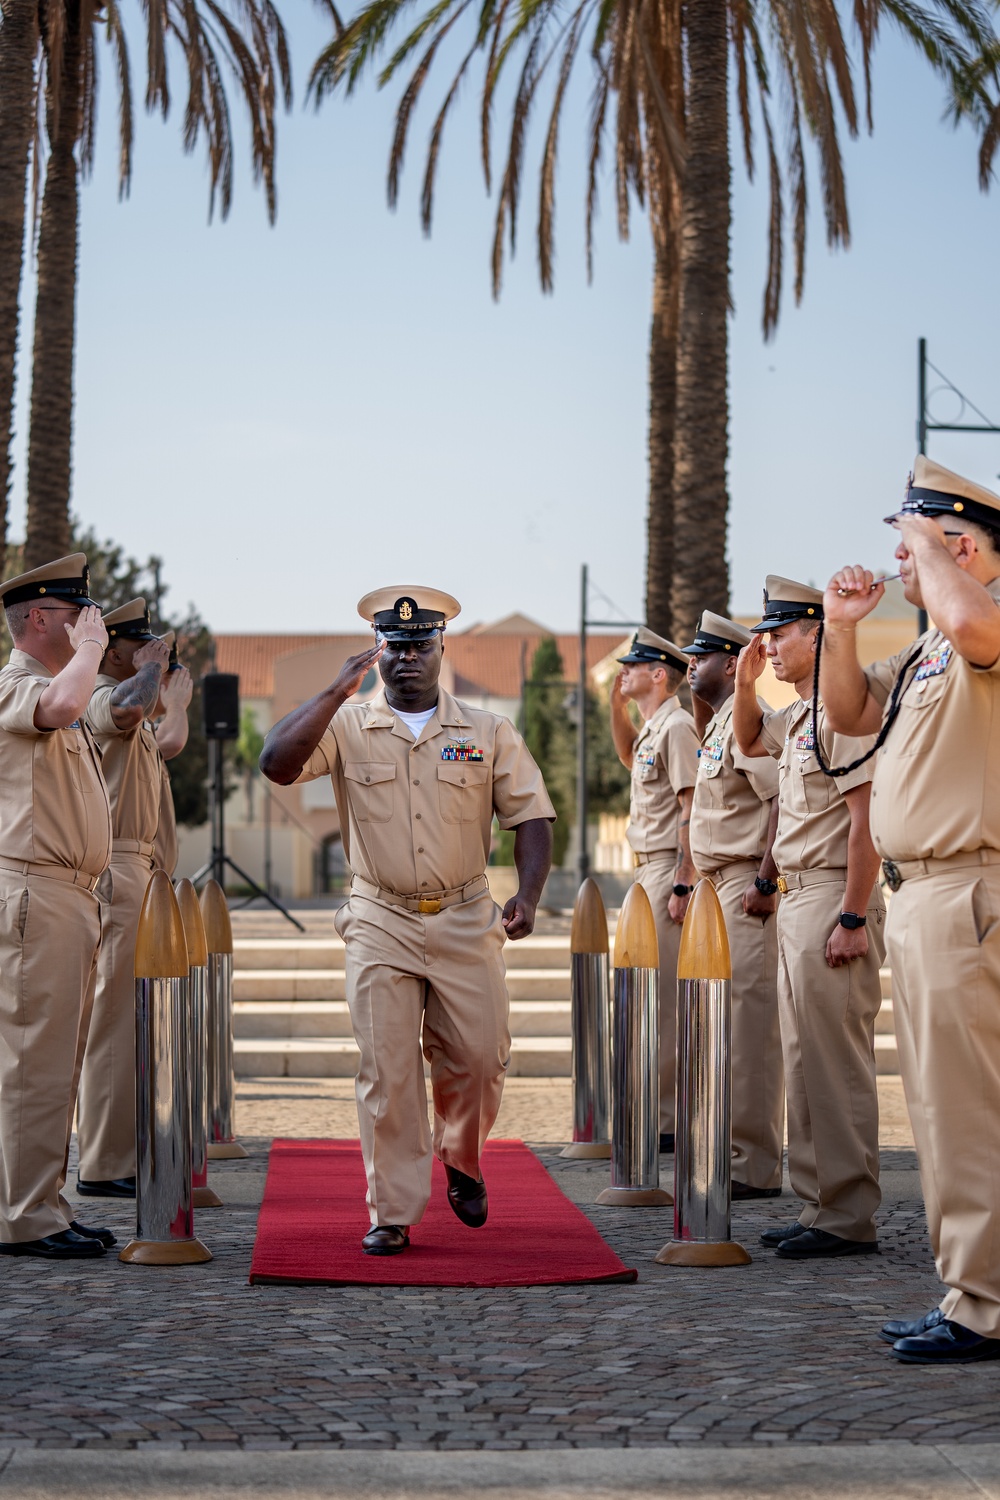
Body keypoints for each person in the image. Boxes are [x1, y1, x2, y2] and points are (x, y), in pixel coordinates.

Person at [260, 587, 554, 1256]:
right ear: (377, 651)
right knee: (387, 1070)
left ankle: (461, 1154)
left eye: (421, 645)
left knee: (480, 1058)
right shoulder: (346, 725)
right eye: (395, 647)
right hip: (378, 917)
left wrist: (528, 895)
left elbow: (531, 815)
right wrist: (336, 691)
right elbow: (276, 764)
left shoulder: (487, 731)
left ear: (442, 648)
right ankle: (391, 1209)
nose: (407, 658)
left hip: (464, 913)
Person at [820, 455, 1000, 1363]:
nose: (898, 566)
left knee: (968, 1109)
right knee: (940, 1108)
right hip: (925, 894)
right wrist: (843, 630)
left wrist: (931, 552)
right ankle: (969, 1291)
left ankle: (985, 1307)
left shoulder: (977, 620)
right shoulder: (929, 645)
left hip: (969, 887)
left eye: (910, 546)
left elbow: (971, 619)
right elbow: (848, 714)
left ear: (960, 542)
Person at [733, 576, 885, 1259]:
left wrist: (853, 916)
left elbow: (866, 823)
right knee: (802, 1060)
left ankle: (849, 1212)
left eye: (782, 632)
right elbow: (746, 738)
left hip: (830, 894)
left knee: (834, 1062)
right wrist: (745, 683)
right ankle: (819, 1202)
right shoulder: (797, 717)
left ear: (819, 634)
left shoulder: (840, 716)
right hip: (796, 896)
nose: (769, 644)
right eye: (765, 633)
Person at [0, 554, 115, 1260]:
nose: (86, 627)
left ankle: (41, 1202)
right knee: (32, 1063)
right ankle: (22, 1216)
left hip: (66, 894)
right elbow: (67, 706)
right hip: (37, 892)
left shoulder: (50, 683)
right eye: (76, 617)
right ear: (38, 620)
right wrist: (97, 650)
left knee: (53, 1062)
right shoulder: (17, 685)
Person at [76, 599, 192, 1198]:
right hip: (116, 871)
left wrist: (177, 703)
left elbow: (166, 743)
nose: (156, 655)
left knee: (134, 1025)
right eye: (143, 648)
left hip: (142, 871)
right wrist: (151, 676)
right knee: (114, 1025)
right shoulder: (104, 694)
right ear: (114, 650)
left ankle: (120, 1151)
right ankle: (102, 1161)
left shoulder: (136, 708)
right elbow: (127, 709)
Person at [684, 610, 784, 1199]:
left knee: (748, 1031)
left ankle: (754, 1165)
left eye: (700, 658)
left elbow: (779, 800)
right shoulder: (719, 723)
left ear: (731, 663)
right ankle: (730, 1151)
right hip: (716, 887)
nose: (689, 665)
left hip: (745, 885)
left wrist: (766, 883)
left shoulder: (750, 723)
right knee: (721, 1027)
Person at [610, 628, 698, 1150]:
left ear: (659, 674)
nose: (624, 673)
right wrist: (615, 703)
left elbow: (691, 807)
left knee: (663, 1000)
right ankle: (652, 1110)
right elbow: (627, 757)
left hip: (668, 867)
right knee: (643, 994)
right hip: (645, 871)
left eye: (633, 667)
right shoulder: (652, 728)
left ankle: (666, 1120)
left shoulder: (679, 726)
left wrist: (684, 880)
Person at [152, 631, 184, 878]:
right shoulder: (133, 727)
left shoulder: (146, 728)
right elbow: (171, 742)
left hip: (154, 873)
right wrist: (176, 705)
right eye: (167, 677)